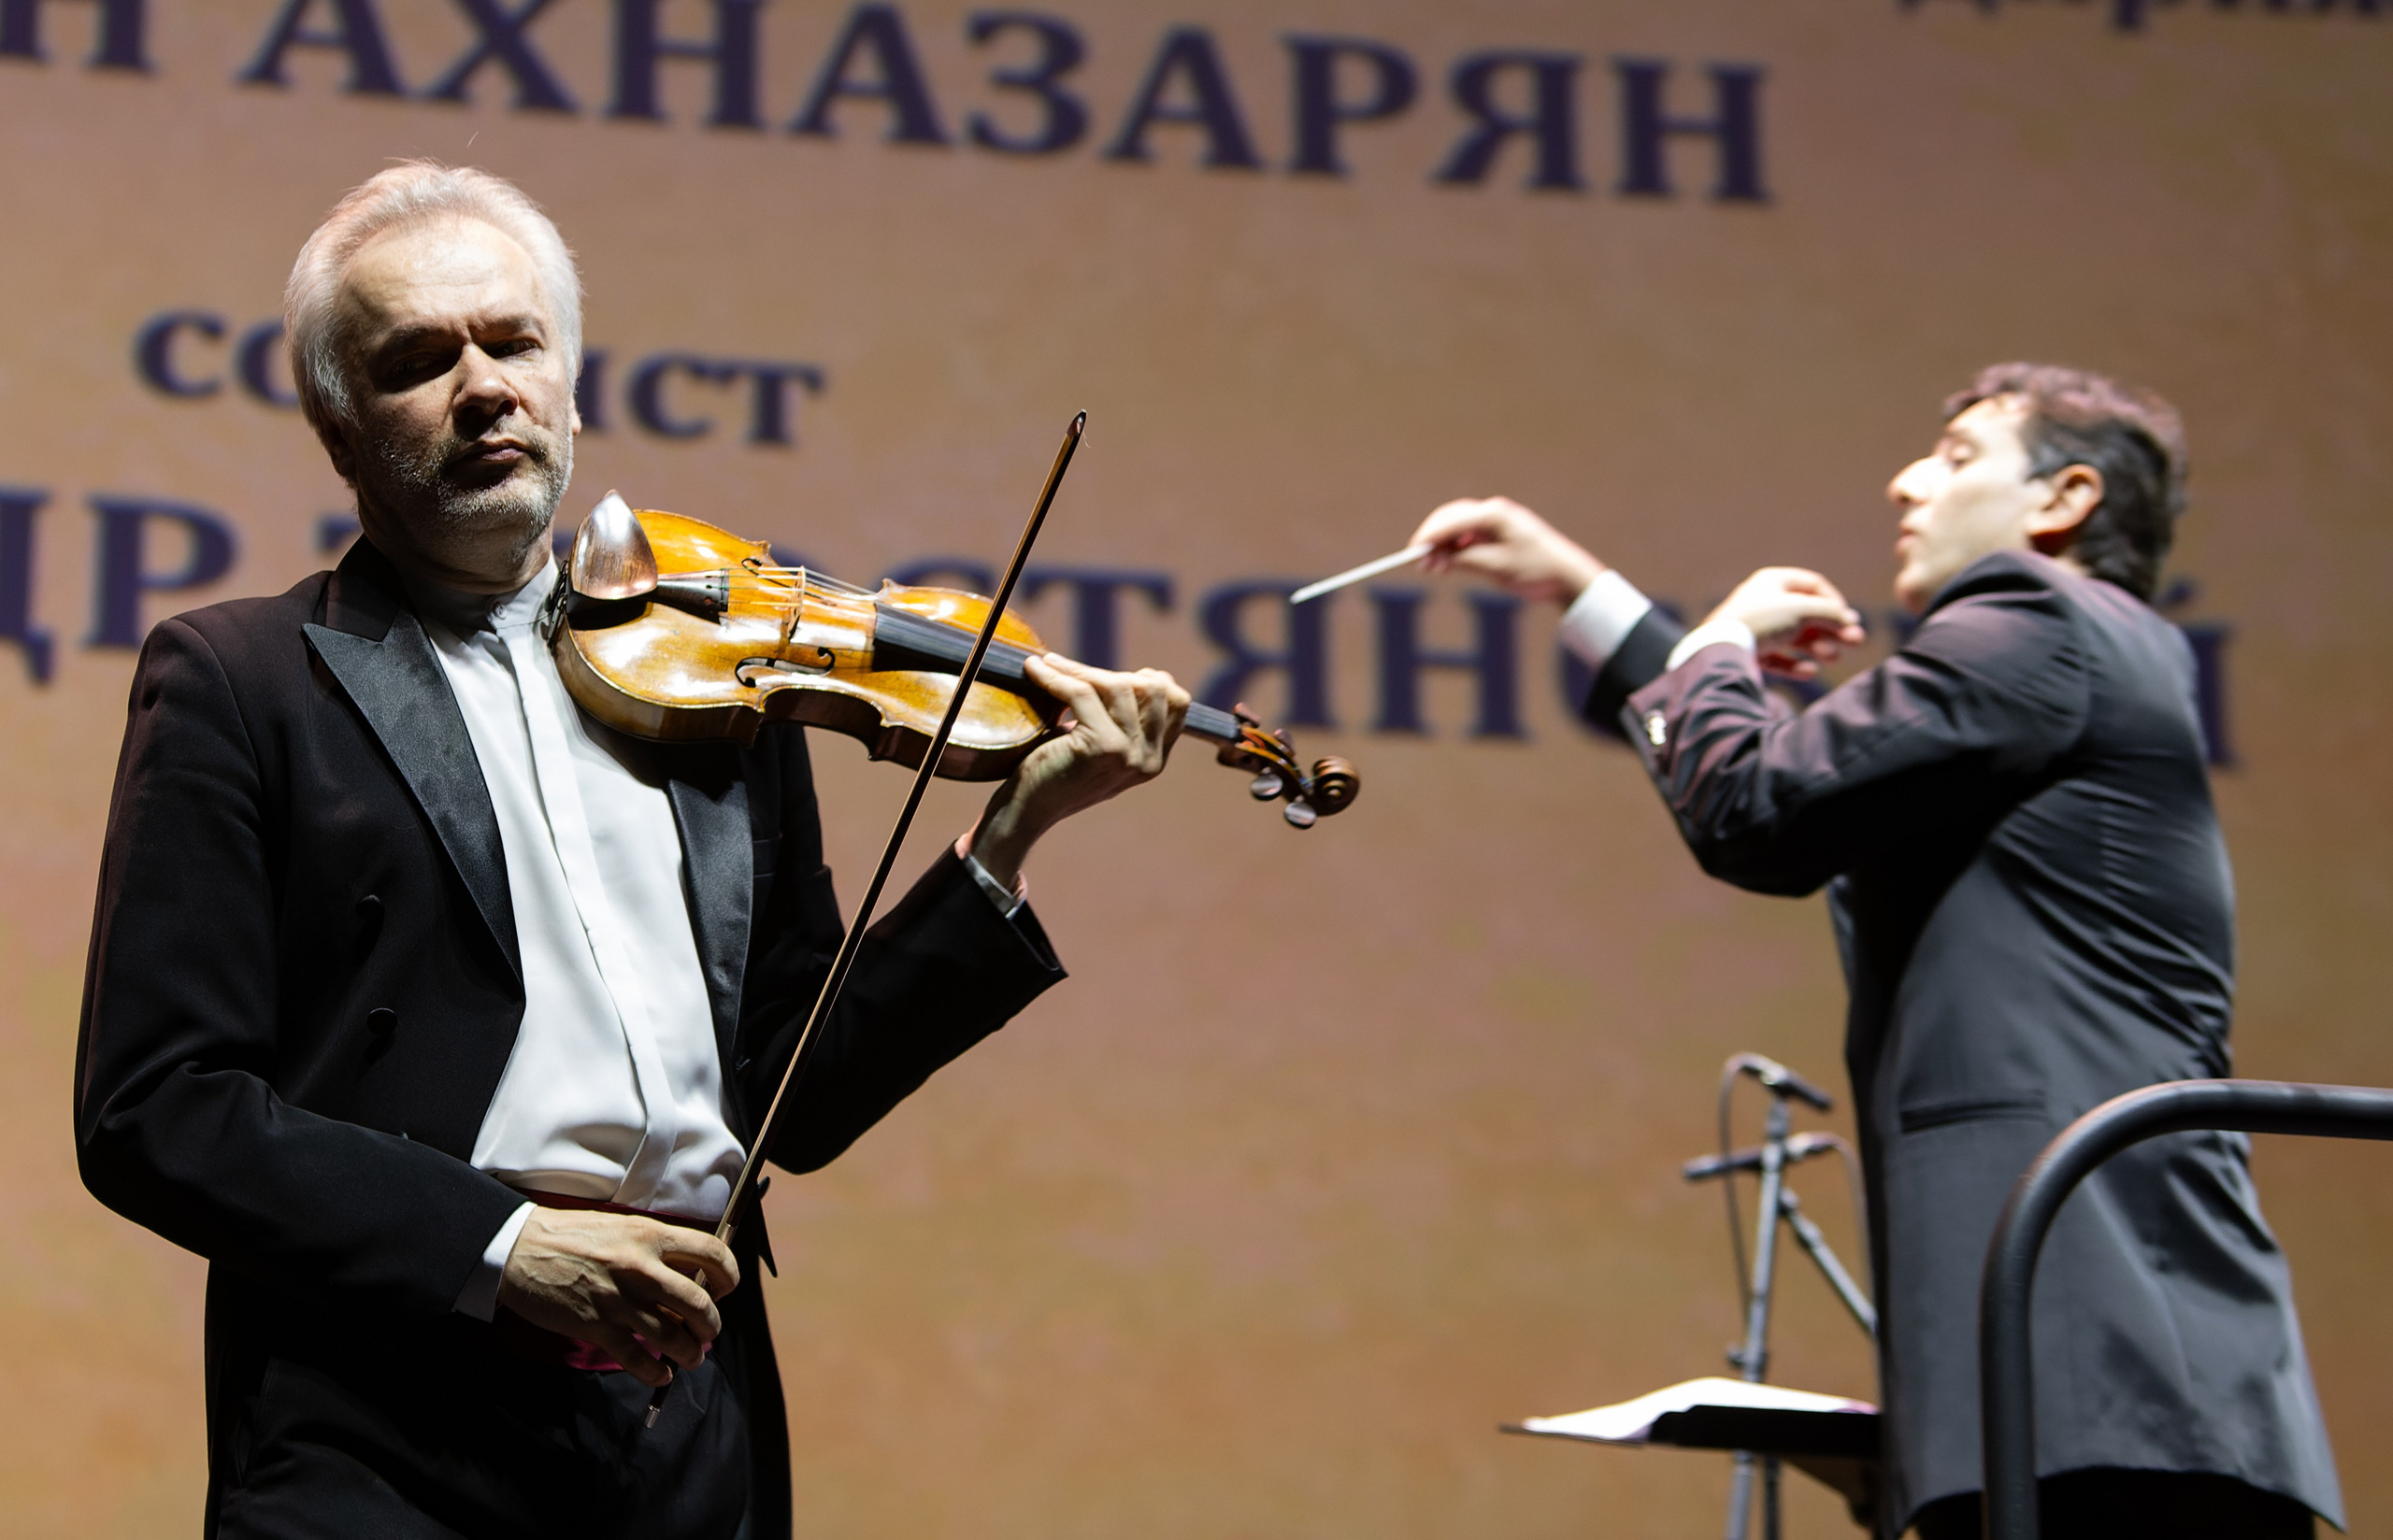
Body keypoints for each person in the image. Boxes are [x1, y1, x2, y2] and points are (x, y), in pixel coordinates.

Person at [75, 163, 1191, 1540]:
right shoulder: (239, 679)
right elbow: (157, 1107)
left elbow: (799, 1089)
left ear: (573, 382)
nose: (483, 385)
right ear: (341, 430)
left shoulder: (727, 682)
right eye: (419, 359)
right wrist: (500, 1246)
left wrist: (1010, 835)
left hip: (686, 1420)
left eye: (514, 340)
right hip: (384, 1420)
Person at [1410, 365, 2339, 1539]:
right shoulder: (2074, 657)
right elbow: (1800, 767)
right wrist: (1581, 589)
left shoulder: (2037, 618)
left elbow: (1758, 810)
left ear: (2062, 501)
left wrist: (1722, 645)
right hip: (2098, 1375)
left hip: (2101, 1363)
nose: (1904, 482)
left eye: (1956, 457)